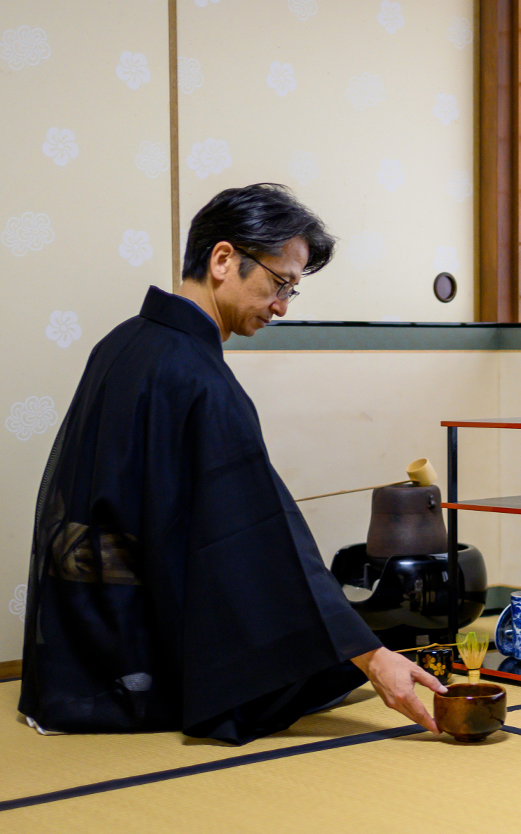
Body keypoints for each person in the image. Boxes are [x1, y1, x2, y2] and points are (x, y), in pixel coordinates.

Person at [19, 183, 445, 743]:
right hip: (143, 661)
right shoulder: (200, 380)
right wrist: (371, 655)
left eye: (293, 289)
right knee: (297, 654)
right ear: (223, 260)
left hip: (79, 654)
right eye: (279, 282)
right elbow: (260, 538)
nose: (283, 305)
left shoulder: (121, 343)